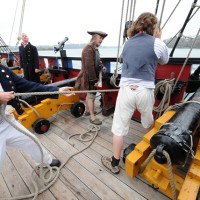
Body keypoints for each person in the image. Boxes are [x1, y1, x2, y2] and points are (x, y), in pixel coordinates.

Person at [101, 12, 169, 174]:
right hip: (145, 90)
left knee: (119, 128)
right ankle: (149, 155)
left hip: (126, 90)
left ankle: (115, 163)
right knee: (148, 123)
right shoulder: (157, 43)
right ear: (154, 27)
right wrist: (158, 38)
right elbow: (164, 60)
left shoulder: (127, 44)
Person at [0, 63, 72, 171]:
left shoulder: (2, 70)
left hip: (4, 121)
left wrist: (56, 90)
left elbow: (27, 85)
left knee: (31, 139)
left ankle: (45, 162)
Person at [75, 31, 107, 125]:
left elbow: (97, 61)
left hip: (91, 77)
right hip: (89, 77)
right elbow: (89, 66)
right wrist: (94, 80)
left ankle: (88, 111)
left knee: (90, 95)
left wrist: (102, 67)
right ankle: (92, 117)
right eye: (100, 38)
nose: (101, 40)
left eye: (102, 38)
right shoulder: (89, 49)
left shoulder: (94, 48)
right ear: (94, 38)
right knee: (91, 96)